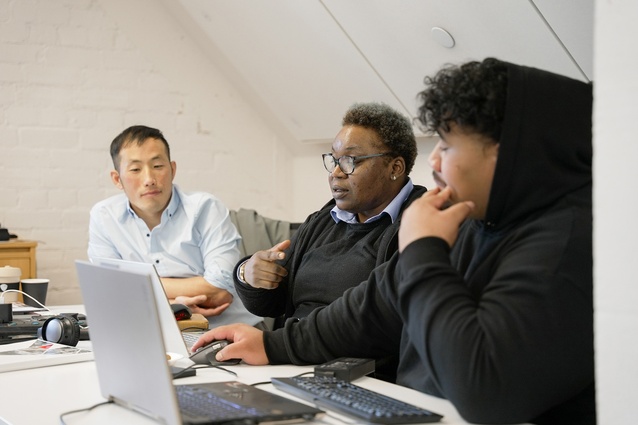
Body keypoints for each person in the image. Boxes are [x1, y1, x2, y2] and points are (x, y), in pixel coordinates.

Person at [193, 58, 595, 424]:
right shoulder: (476, 219)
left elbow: (484, 392)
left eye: (448, 144)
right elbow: (373, 305)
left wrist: (423, 248)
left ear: (508, 153)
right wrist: (272, 345)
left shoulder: (568, 243)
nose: (434, 160)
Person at [233, 102, 426, 327]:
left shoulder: (420, 226)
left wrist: (278, 346)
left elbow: (378, 325)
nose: (335, 173)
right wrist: (248, 274)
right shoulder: (322, 221)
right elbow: (273, 305)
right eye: (334, 160)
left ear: (395, 168)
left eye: (350, 161)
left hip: (351, 359)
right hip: (291, 352)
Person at [87, 125, 261, 327]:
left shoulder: (205, 208)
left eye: (158, 166)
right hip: (156, 332)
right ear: (117, 179)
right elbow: (108, 293)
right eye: (135, 169)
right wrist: (173, 305)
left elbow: (219, 292)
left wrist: (135, 286)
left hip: (231, 332)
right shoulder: (104, 216)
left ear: (173, 169)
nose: (149, 179)